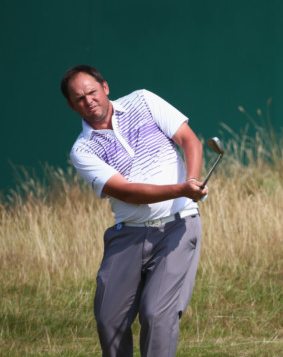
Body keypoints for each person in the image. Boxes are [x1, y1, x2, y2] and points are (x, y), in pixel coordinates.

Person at [61, 64, 208, 356]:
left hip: (177, 227)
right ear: (71, 105)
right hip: (127, 235)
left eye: (92, 92)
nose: (88, 101)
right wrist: (182, 189)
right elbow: (128, 192)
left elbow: (189, 140)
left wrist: (190, 180)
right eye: (79, 98)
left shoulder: (143, 100)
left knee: (156, 314)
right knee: (108, 318)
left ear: (105, 87)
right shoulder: (83, 150)